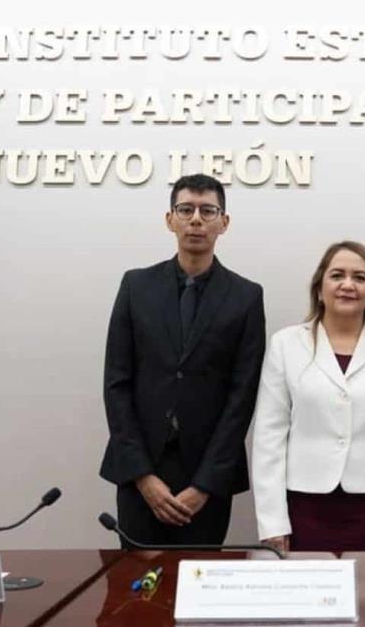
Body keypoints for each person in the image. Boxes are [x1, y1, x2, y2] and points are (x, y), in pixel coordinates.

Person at [100, 174, 266, 547]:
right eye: (186, 209)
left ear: (224, 222)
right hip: (142, 471)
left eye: (208, 211)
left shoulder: (246, 297)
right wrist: (143, 477)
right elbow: (116, 384)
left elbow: (241, 398)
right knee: (135, 580)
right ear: (169, 219)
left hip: (206, 477)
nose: (196, 220)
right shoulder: (136, 286)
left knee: (201, 577)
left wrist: (205, 484)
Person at [252, 241, 365, 553]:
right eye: (337, 275)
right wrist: (272, 522)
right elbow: (269, 437)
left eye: (359, 277)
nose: (348, 285)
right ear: (319, 289)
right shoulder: (285, 345)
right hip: (303, 506)